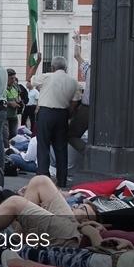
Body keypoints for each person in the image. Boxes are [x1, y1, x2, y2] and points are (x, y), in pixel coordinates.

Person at [28, 55, 79, 187]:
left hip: (46, 112)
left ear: (53, 67)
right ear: (66, 67)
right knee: (61, 148)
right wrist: (67, 115)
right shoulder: (73, 81)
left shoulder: (47, 77)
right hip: (62, 113)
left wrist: (37, 63)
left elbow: (29, 79)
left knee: (43, 145)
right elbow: (74, 102)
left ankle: (43, 176)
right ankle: (62, 179)